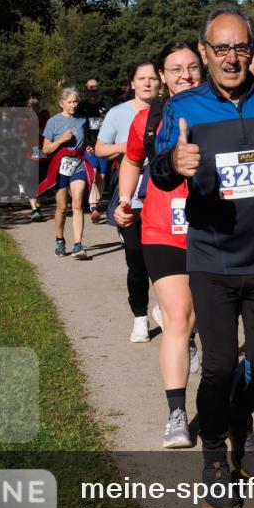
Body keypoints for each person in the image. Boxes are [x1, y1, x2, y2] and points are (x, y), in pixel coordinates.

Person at [151, 6, 254, 508]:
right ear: (205, 53)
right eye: (220, 48)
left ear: (252, 50)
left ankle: (239, 418)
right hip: (212, 260)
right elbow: (159, 171)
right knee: (220, 366)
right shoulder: (184, 109)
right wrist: (172, 164)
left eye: (239, 47)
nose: (230, 57)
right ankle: (213, 457)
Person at [115, 44, 204, 447]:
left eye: (192, 67)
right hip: (162, 227)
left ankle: (187, 335)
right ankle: (177, 415)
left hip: (216, 229)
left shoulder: (226, 111)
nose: (185, 74)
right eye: (175, 69)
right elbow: (133, 159)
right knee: (178, 315)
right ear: (163, 77)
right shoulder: (148, 120)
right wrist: (123, 198)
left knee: (198, 312)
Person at [95, 61, 160, 343]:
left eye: (152, 78)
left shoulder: (169, 110)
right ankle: (140, 317)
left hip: (163, 198)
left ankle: (168, 309)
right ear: (132, 83)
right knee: (137, 262)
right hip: (130, 199)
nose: (147, 83)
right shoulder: (118, 114)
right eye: (141, 78)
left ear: (161, 82)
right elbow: (99, 148)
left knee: (167, 262)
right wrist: (131, 146)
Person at [39, 86, 93, 259]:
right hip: (61, 166)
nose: (73, 105)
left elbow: (85, 143)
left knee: (78, 204)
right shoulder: (53, 122)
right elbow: (46, 149)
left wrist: (89, 148)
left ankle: (78, 245)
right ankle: (60, 240)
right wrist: (62, 140)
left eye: (75, 101)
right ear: (61, 103)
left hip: (78, 164)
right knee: (62, 207)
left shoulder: (82, 120)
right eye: (69, 102)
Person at [77, 78, 110, 224]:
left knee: (102, 177)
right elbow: (77, 128)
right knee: (94, 172)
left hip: (104, 145)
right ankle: (93, 207)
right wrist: (84, 145)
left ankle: (95, 202)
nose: (92, 92)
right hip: (88, 147)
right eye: (89, 90)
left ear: (99, 89)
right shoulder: (81, 107)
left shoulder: (106, 105)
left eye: (95, 89)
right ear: (86, 90)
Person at [23, 97, 50, 222]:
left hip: (42, 155)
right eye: (30, 107)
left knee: (41, 183)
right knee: (31, 181)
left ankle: (38, 208)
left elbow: (49, 135)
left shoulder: (44, 120)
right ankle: (34, 209)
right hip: (28, 155)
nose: (32, 109)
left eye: (35, 106)